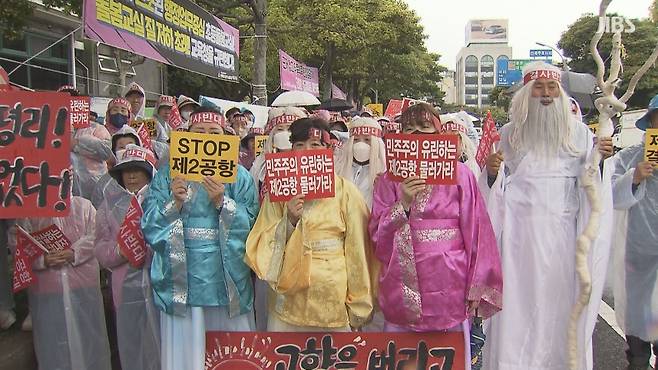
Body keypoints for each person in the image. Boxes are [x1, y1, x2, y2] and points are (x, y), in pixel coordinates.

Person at [480, 61, 614, 370]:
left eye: (551, 88)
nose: (545, 94)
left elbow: (591, 185)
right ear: (526, 94)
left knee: (559, 307)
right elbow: (495, 189)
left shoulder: (580, 134)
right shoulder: (509, 134)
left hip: (562, 238)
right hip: (517, 241)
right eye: (538, 88)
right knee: (517, 309)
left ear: (561, 94)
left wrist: (601, 160)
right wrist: (491, 174)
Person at [369, 103, 503, 368]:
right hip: (402, 282)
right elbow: (376, 236)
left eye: (425, 128)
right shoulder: (388, 180)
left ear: (439, 135)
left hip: (450, 281)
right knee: (402, 358)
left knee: (447, 357)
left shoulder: (461, 175)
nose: (417, 135)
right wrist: (403, 204)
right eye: (410, 129)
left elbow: (478, 232)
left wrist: (478, 282)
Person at [142, 106, 259, 370]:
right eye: (199, 132)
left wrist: (224, 204)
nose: (207, 138)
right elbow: (149, 225)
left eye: (214, 132)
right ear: (187, 136)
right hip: (181, 279)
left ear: (225, 137)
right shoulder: (168, 174)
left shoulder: (240, 176)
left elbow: (254, 225)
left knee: (232, 355)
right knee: (187, 357)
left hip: (227, 279)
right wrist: (174, 204)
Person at [245, 117, 374, 332]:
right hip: (288, 299)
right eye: (299, 145)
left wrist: (359, 304)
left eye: (315, 145)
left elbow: (358, 252)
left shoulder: (346, 192)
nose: (307, 151)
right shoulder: (279, 190)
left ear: (328, 150)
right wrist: (289, 221)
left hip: (332, 298)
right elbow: (260, 241)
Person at [10, 197, 112, 370]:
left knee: (90, 339)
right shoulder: (29, 210)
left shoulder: (83, 206)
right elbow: (17, 243)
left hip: (83, 288)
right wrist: (42, 260)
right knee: (52, 343)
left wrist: (75, 252)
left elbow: (98, 235)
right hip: (48, 290)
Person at [95, 145, 160, 370]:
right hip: (125, 287)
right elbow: (100, 247)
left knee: (162, 343)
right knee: (131, 342)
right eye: (126, 170)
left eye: (138, 169)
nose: (132, 175)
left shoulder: (164, 200)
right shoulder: (107, 206)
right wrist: (119, 252)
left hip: (160, 286)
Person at [611, 94, 658, 370]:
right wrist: (635, 178)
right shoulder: (628, 157)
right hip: (637, 253)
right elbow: (609, 196)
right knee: (639, 325)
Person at [249, 107, 307, 198]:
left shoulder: (309, 163)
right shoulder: (260, 165)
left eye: (289, 129)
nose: (285, 133)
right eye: (280, 129)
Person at [70, 96, 115, 200]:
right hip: (65, 191)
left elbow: (105, 151)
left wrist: (77, 143)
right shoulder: (52, 130)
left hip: (94, 190)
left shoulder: (97, 128)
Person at [336, 117, 386, 208]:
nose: (360, 145)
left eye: (367, 140)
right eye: (356, 140)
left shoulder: (385, 171)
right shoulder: (338, 168)